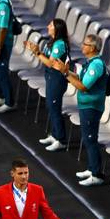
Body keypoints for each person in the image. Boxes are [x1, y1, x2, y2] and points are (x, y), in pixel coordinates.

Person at [59, 34, 110, 187]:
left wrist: (67, 74)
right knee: (88, 138)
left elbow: (84, 86)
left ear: (93, 48)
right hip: (86, 106)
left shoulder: (96, 65)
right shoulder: (91, 63)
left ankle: (97, 175)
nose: (82, 46)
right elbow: (81, 79)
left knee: (90, 139)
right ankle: (91, 168)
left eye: (85, 44)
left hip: (91, 107)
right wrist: (66, 71)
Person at [25, 19, 70, 152]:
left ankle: (61, 140)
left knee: (54, 107)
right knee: (50, 105)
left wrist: (37, 53)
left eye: (50, 25)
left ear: (57, 29)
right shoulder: (52, 42)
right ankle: (55, 135)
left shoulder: (60, 44)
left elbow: (51, 63)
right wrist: (36, 50)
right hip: (50, 77)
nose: (47, 26)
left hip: (57, 79)